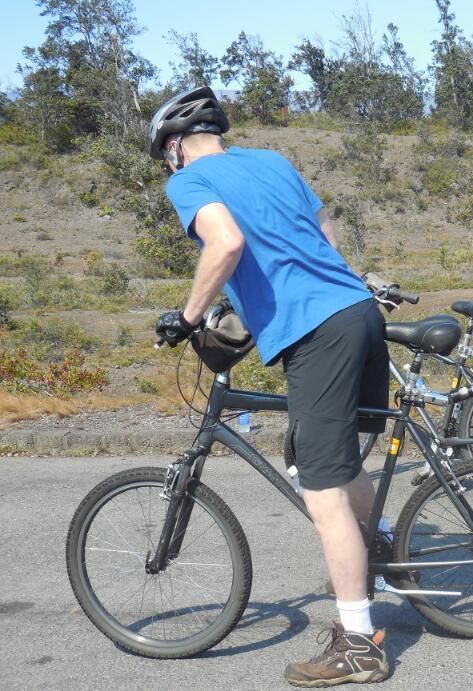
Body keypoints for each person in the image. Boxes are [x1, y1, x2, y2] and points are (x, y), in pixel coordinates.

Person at [149, 86, 390, 686]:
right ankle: (384, 545)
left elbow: (226, 242)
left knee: (322, 492)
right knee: (334, 461)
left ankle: (359, 645)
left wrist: (187, 318)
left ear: (175, 147)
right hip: (357, 310)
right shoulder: (273, 161)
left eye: (166, 157)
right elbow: (327, 237)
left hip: (316, 331)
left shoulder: (188, 181)